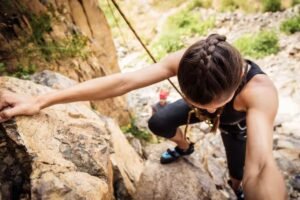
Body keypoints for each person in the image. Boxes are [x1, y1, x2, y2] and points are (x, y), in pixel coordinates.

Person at [0, 34, 287, 200]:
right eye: (199, 103)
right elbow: (123, 82)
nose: (209, 111)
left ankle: (235, 190)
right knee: (158, 122)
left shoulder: (259, 91)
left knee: (240, 176)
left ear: (235, 85)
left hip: (235, 124)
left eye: (214, 105)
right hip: (204, 104)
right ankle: (186, 146)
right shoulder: (188, 61)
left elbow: (260, 166)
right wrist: (40, 100)